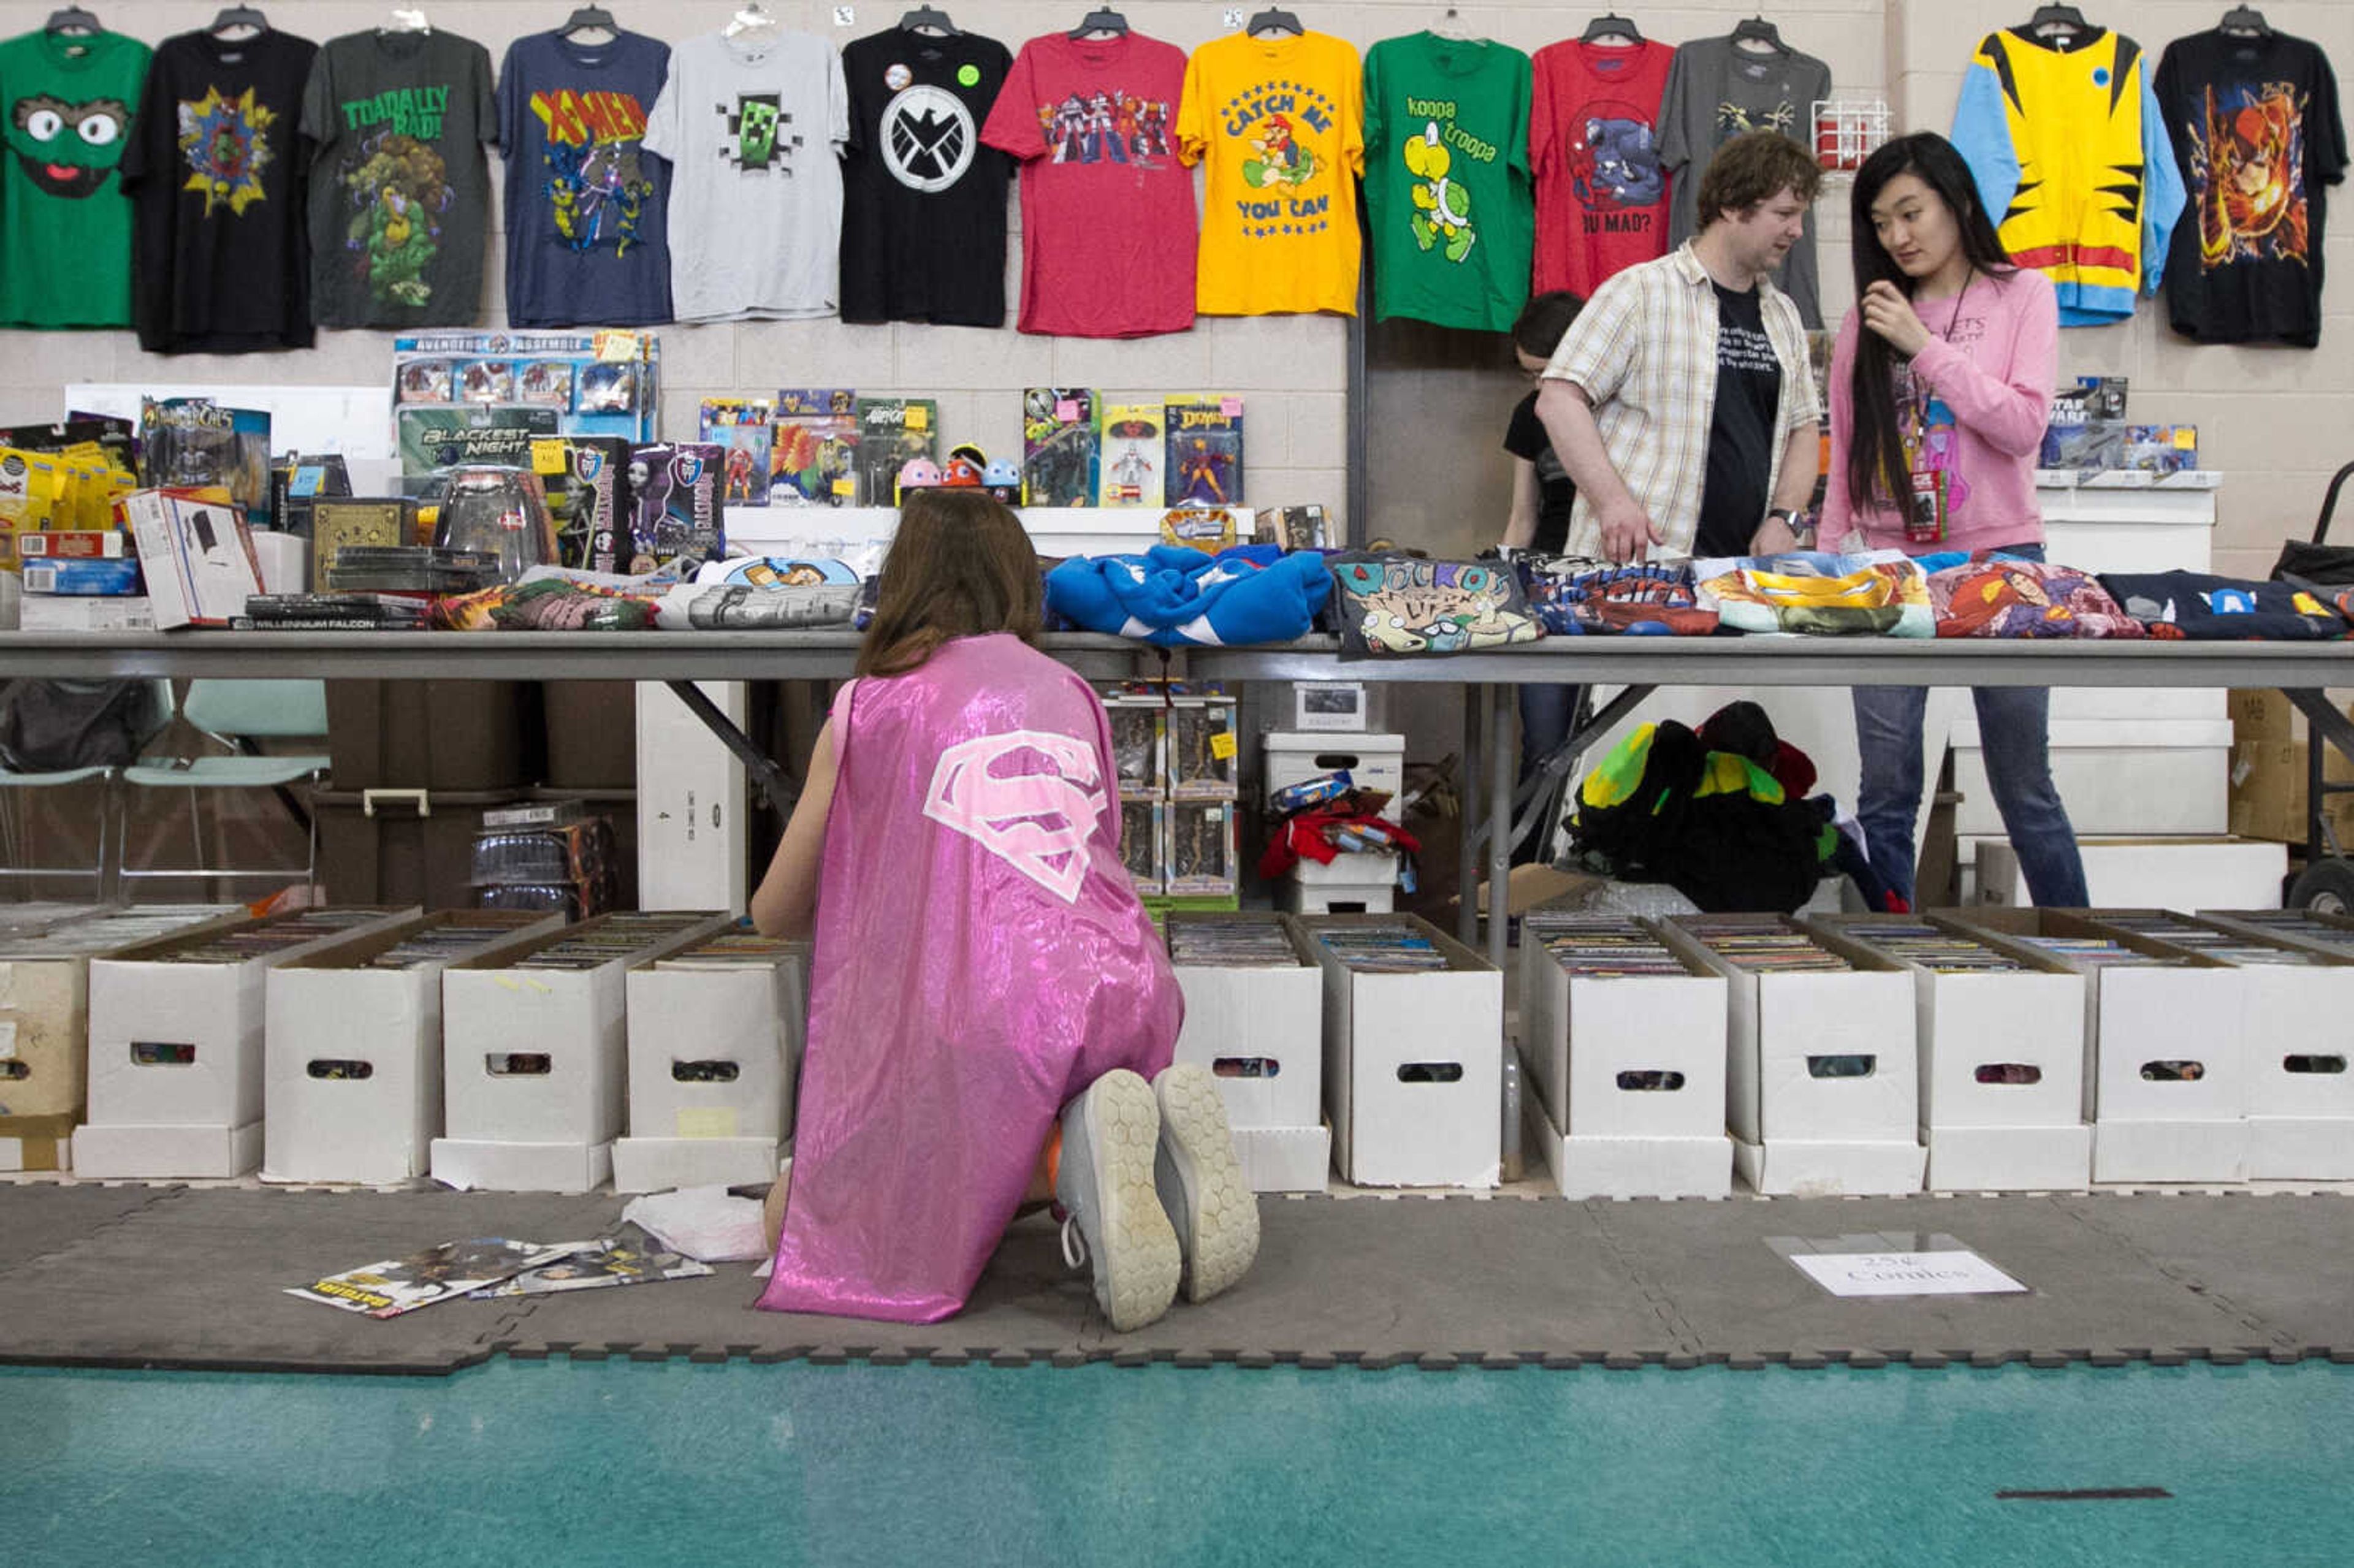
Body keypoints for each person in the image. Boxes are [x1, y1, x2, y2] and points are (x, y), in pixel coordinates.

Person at [748, 489, 1259, 1330]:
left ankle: (1066, 1164)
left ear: (902, 581)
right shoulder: (1072, 691)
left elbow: (775, 910)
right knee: (1042, 1076)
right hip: (1128, 985)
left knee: (793, 1216)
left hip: (986, 1011)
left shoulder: (870, 706)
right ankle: (1114, 1139)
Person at [1821, 131, 2089, 908]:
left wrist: (1923, 346)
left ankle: (2090, 958)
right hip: (1888, 569)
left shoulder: (2023, 294)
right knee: (1887, 793)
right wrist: (1830, 559)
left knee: (2024, 786)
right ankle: (1889, 968)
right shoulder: (1862, 319)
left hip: (2004, 560)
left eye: (1911, 213)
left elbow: (2022, 427)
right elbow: (1845, 451)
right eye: (1880, 223)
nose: (1897, 237)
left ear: (1958, 201)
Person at [1534, 129, 1823, 565]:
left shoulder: (1783, 315)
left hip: (1743, 580)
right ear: (1731, 204)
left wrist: (1786, 518)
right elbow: (1558, 399)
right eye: (1784, 213)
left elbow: (1804, 427)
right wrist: (1613, 503)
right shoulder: (1639, 292)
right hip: (1637, 575)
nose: (1797, 230)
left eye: (1801, 215)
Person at [1501, 289, 1586, 813]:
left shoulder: (1628, 410)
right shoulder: (1529, 415)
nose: (1537, 387)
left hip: (1617, 587)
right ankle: (1527, 874)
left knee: (1613, 743)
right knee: (1545, 746)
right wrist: (1500, 596)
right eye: (1528, 375)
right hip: (1546, 590)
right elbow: (1522, 515)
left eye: (1544, 372)